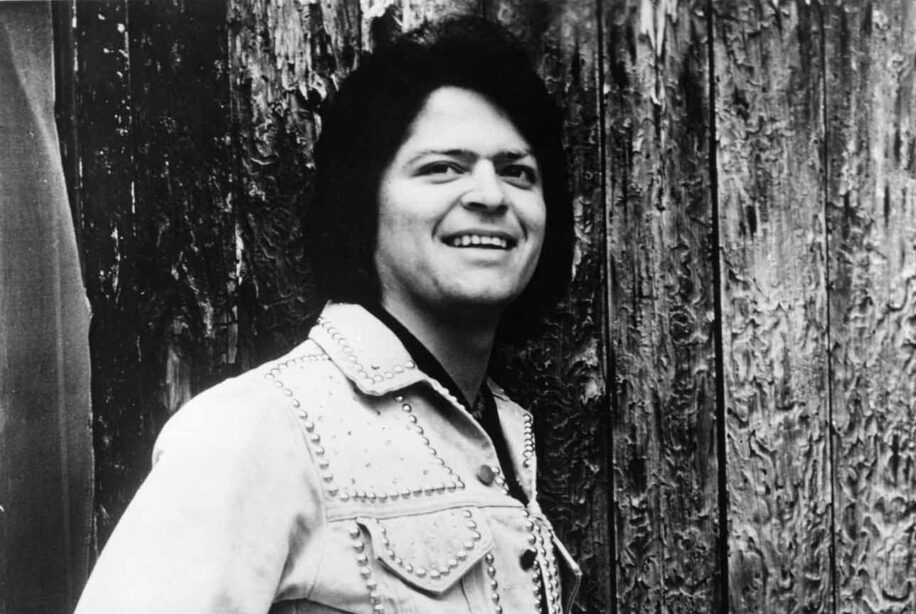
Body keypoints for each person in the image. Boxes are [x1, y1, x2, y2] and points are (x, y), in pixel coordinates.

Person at [74, 15, 580, 614]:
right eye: (443, 167)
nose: (491, 195)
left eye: (518, 172)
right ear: (363, 202)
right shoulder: (260, 428)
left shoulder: (504, 435)